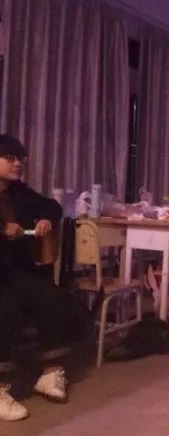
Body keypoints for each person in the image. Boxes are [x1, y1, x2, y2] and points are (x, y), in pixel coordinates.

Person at [0, 134, 70, 421]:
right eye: (10, 158)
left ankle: (50, 372)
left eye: (21, 159)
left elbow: (53, 206)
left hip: (13, 269)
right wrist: (3, 227)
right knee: (6, 307)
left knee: (51, 296)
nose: (18, 164)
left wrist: (46, 219)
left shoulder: (19, 192)